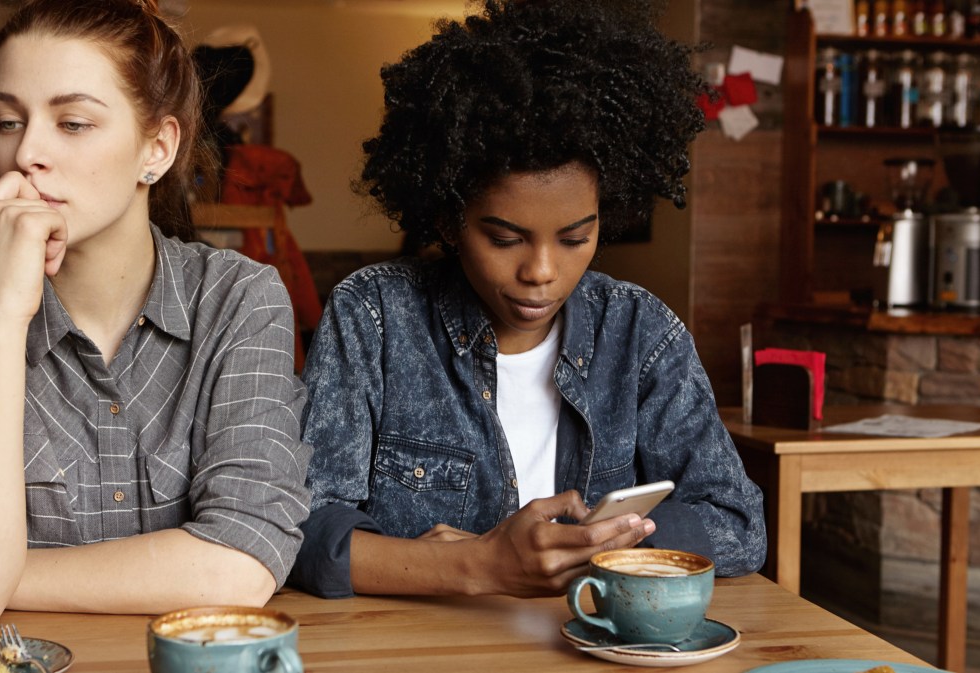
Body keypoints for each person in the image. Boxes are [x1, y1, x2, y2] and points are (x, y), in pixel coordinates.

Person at [0, 0, 310, 619]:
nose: (27, 153)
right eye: (5, 121)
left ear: (155, 149)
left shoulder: (240, 299)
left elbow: (243, 564)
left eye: (73, 123)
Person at [289, 0, 767, 599]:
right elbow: (298, 529)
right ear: (448, 217)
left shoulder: (640, 332)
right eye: (504, 238)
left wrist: (600, 543)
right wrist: (477, 567)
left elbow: (738, 523)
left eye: (575, 238)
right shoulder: (373, 319)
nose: (541, 271)